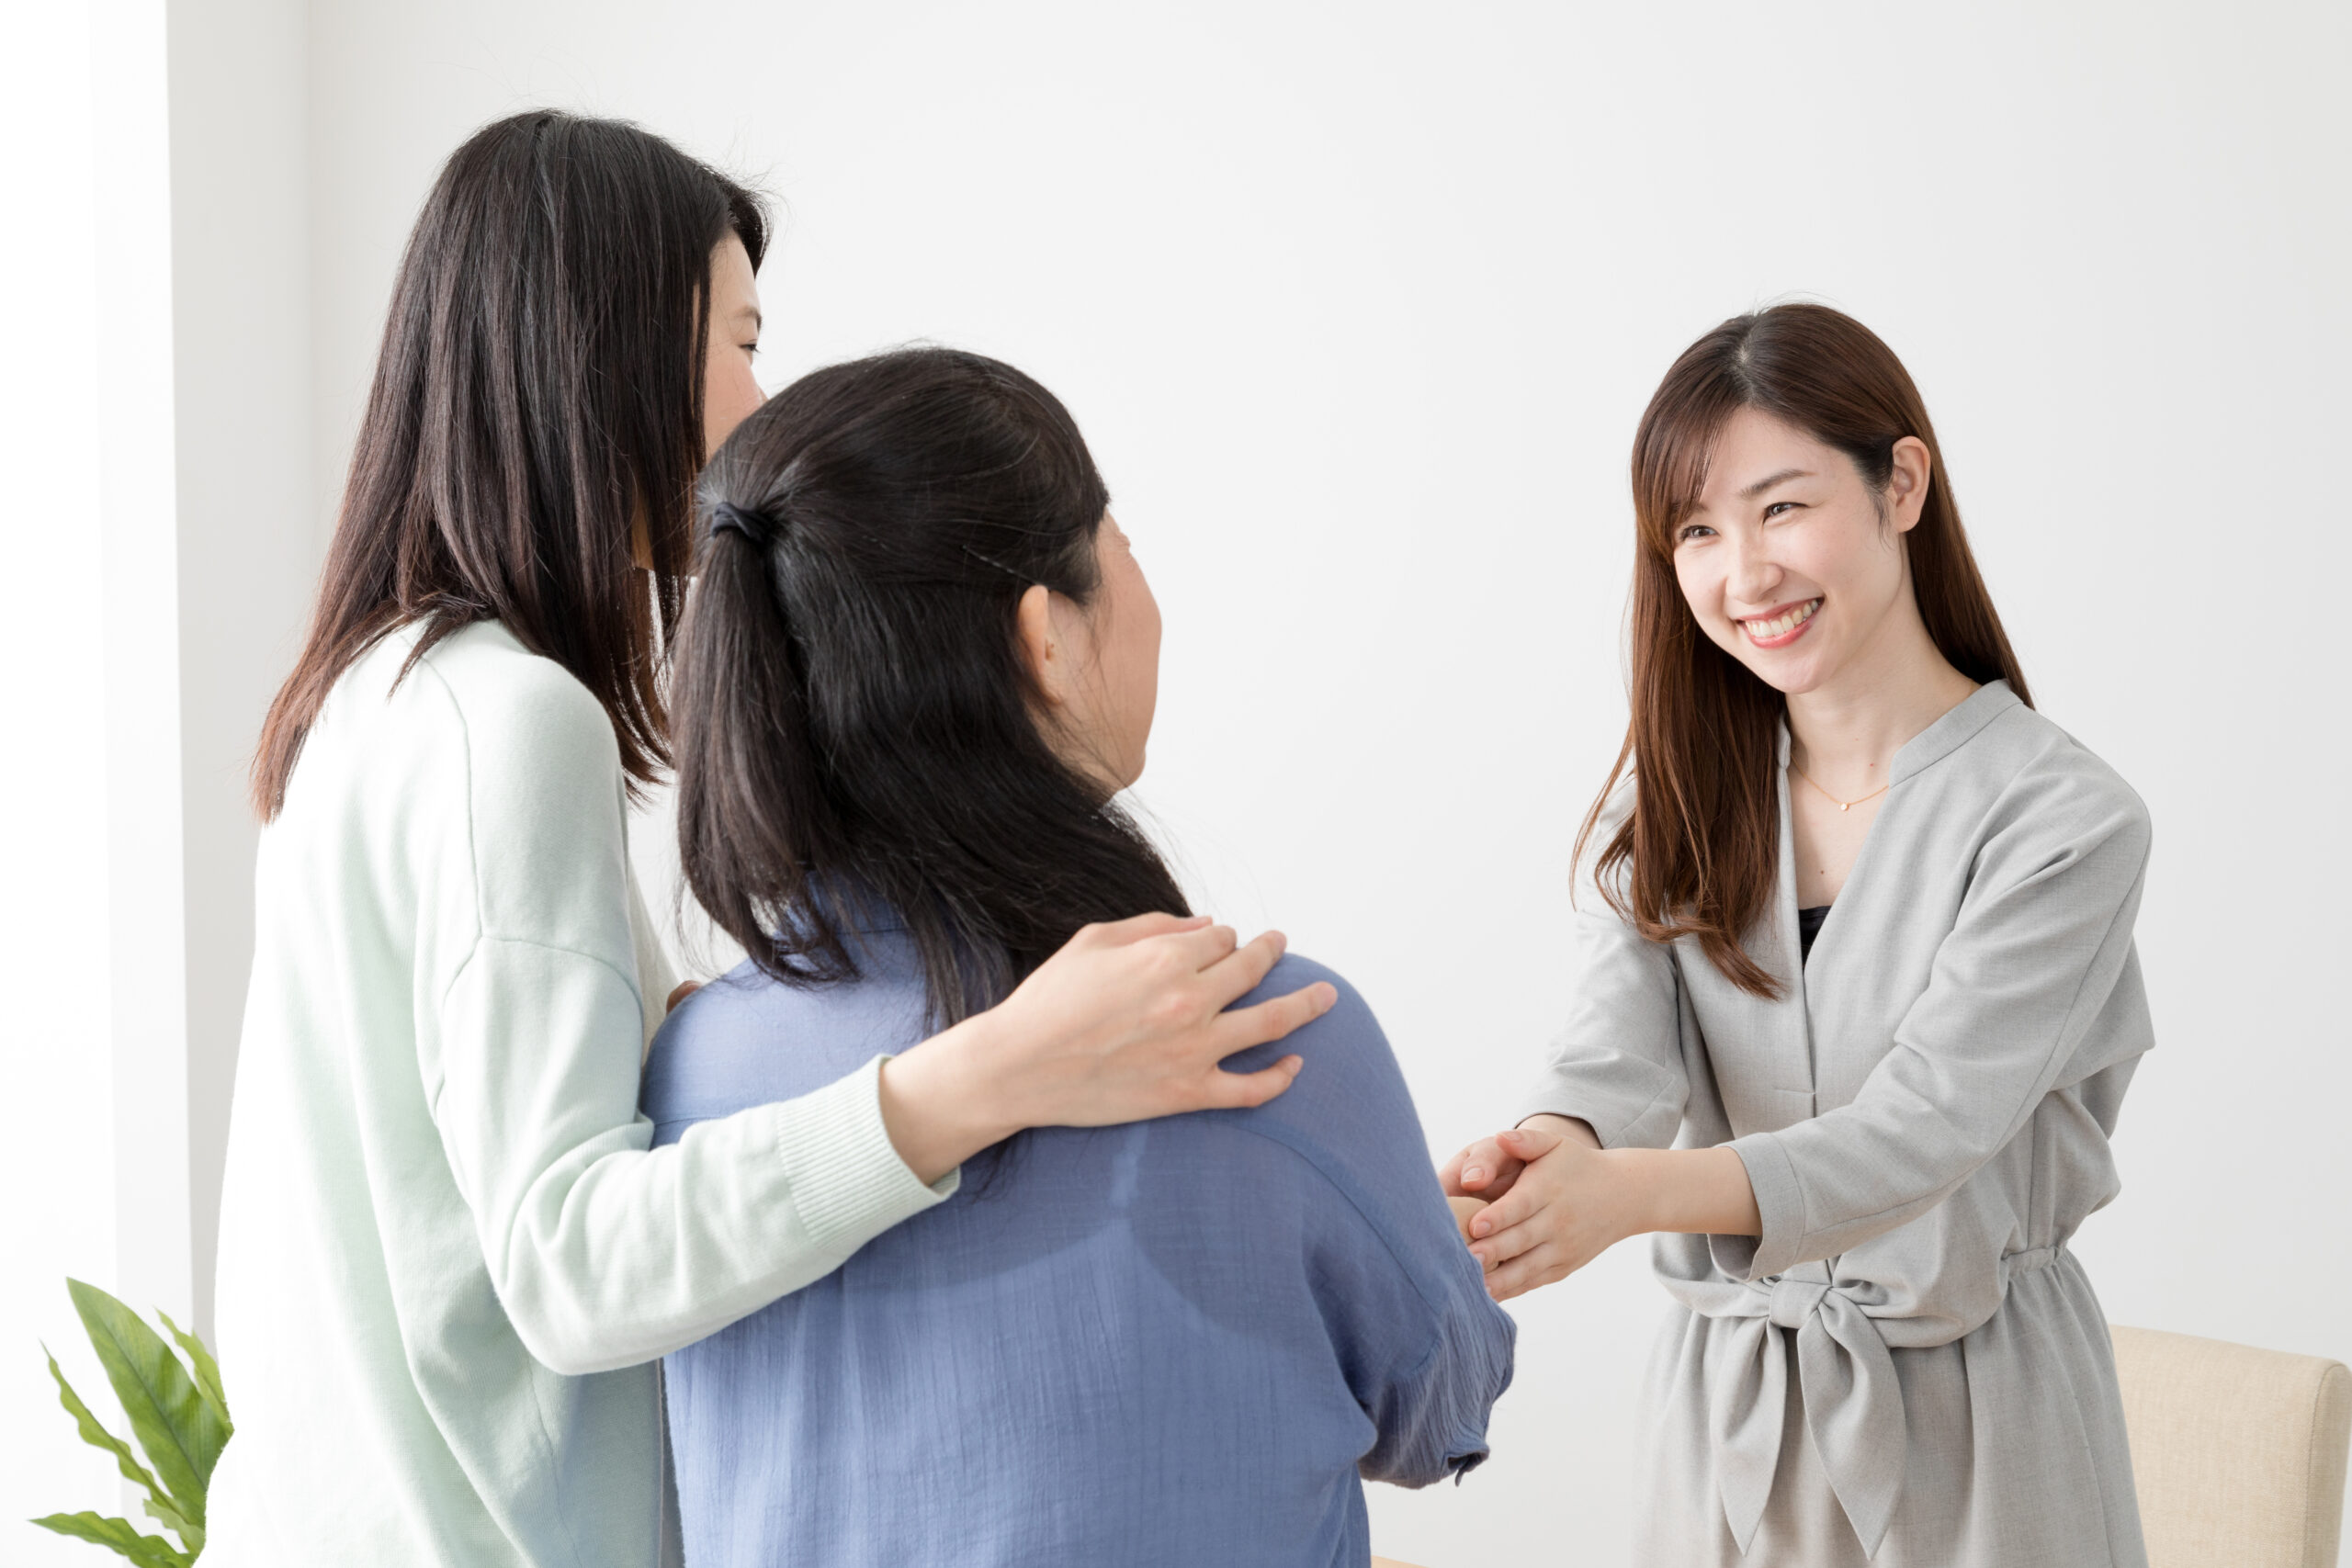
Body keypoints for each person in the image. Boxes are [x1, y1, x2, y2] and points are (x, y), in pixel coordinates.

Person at [206, 113, 1335, 1568]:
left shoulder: (375, 698)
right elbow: (569, 1261)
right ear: (605, 353)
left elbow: (447, 1175)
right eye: (741, 338)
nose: (761, 402)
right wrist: (998, 1066)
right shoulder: (511, 724)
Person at [641, 345, 1516, 1568]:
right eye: (1123, 540)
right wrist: (1414, 1239)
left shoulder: (685, 1074)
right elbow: (1442, 1409)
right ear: (1043, 636)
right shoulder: (1262, 1031)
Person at [1446, 304, 2153, 1565]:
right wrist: (1544, 1159)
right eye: (1698, 532)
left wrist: (1622, 1200)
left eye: (1782, 508)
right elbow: (1619, 1047)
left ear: (1902, 483)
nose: (1744, 573)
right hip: (1729, 1416)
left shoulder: (2064, 821)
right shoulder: (1671, 796)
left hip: (1982, 1423)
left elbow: (1921, 1131)